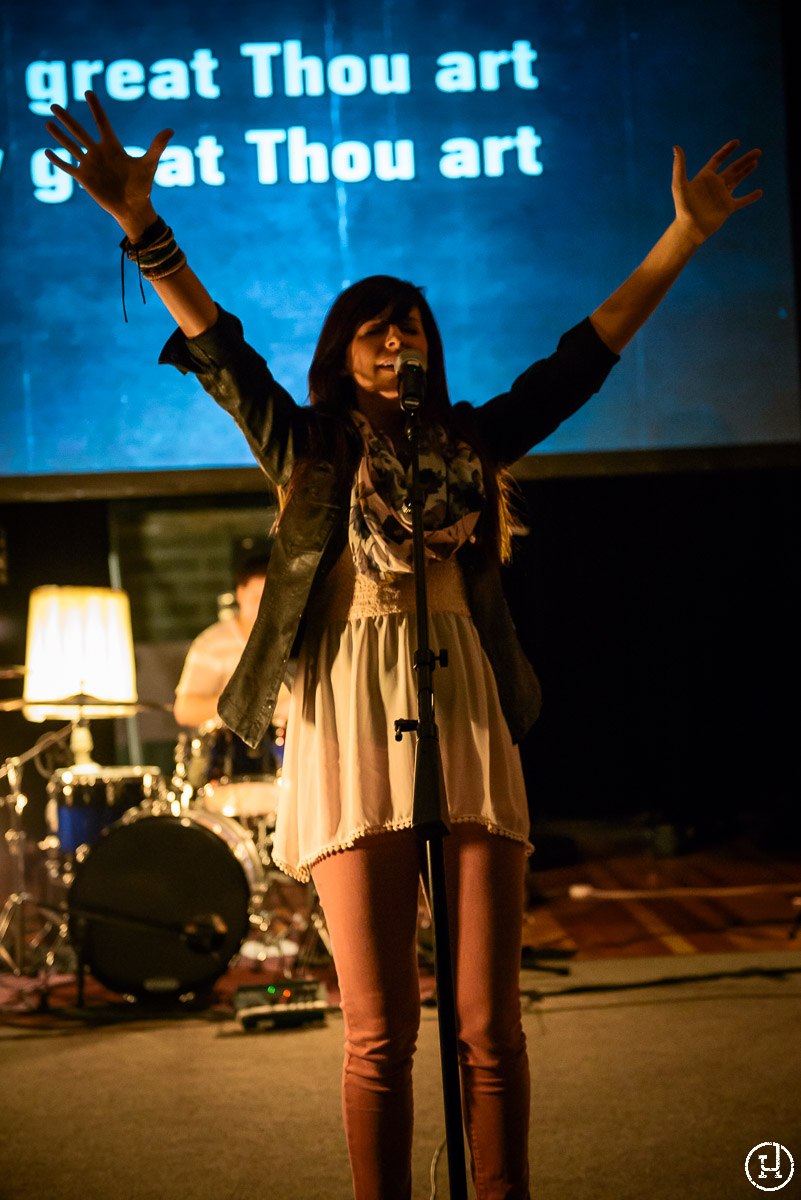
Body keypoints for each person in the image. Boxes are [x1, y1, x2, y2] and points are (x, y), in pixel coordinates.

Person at [45, 92, 761, 1200]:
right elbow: (218, 347)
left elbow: (582, 360)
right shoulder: (309, 447)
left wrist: (680, 236)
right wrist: (141, 227)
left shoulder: (471, 439)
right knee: (381, 1031)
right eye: (377, 327)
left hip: (463, 708)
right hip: (347, 719)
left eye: (412, 325)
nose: (398, 338)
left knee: (489, 1023)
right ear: (345, 353)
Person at [173, 554, 271, 728]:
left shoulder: (296, 639)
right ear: (240, 594)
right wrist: (244, 701)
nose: (264, 606)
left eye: (271, 599)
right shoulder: (212, 644)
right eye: (257, 598)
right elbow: (185, 711)